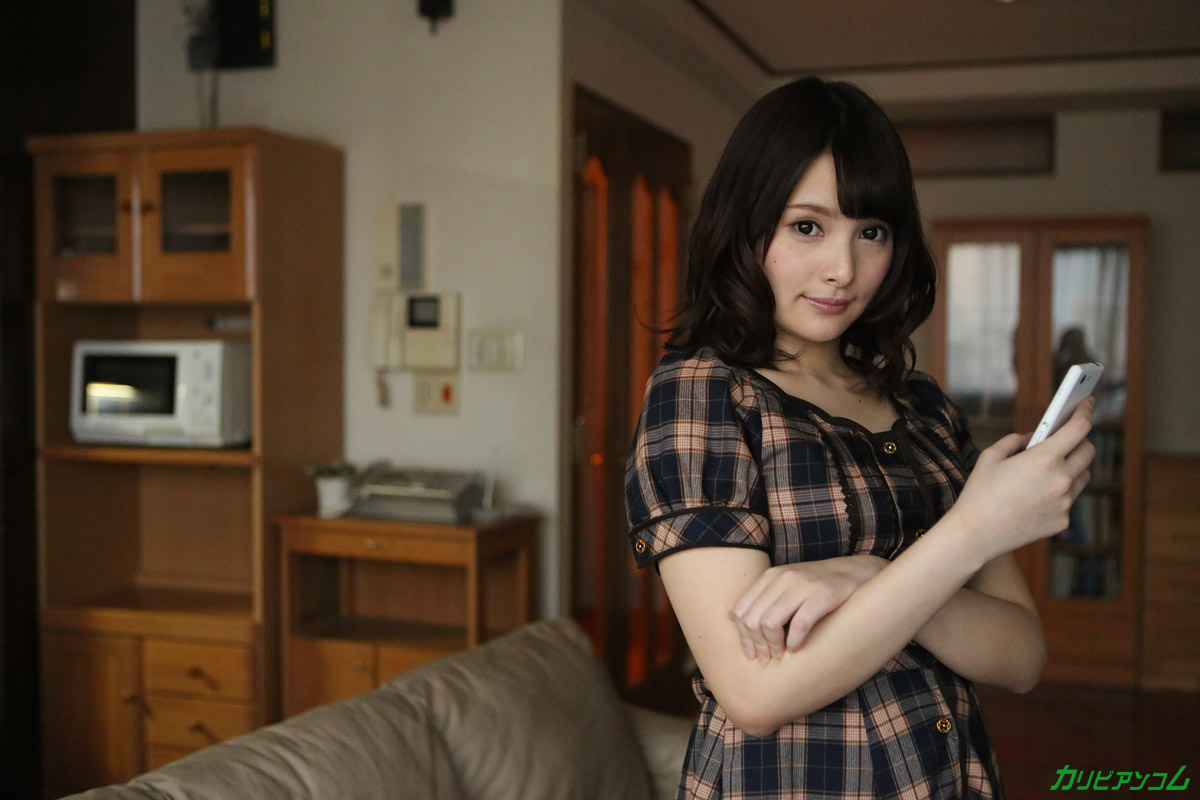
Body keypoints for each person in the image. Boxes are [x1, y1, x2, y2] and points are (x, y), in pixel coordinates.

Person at [624, 76, 1095, 799]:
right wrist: (965, 535)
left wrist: (871, 575)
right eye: (807, 227)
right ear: (746, 225)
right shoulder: (703, 395)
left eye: (871, 232)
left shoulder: (923, 408)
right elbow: (753, 693)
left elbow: (1021, 657)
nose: (843, 270)